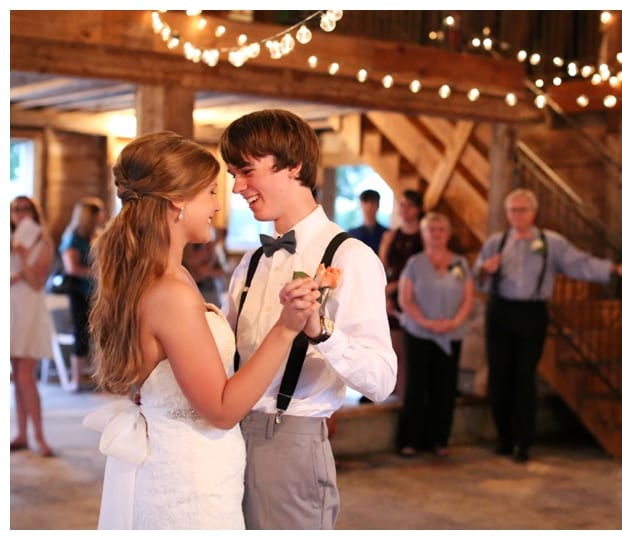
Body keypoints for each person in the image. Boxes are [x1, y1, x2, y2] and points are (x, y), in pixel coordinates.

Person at [82, 131, 321, 529]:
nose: (217, 204)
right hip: (189, 482)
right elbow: (222, 411)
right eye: (210, 192)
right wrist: (285, 329)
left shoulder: (167, 276)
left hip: (192, 464)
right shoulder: (170, 290)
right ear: (177, 200)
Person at [219, 109, 397, 530]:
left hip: (291, 441)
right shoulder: (249, 262)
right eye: (232, 174)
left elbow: (382, 381)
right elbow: (230, 357)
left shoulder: (351, 258)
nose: (237, 187)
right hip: (226, 442)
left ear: (293, 166)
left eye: (246, 171)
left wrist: (322, 332)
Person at [472, 188, 622, 463]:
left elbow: (580, 265)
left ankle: (523, 443)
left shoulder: (551, 243)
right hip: (500, 311)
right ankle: (505, 438)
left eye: (522, 210)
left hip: (533, 312)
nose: (517, 215)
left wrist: (614, 269)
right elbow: (477, 278)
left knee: (525, 377)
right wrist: (484, 270)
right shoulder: (496, 242)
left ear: (534, 213)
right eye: (513, 210)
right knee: (500, 376)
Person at [395, 212, 474, 458]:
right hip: (419, 332)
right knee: (417, 387)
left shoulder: (460, 263)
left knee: (445, 387)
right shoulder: (415, 263)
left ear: (448, 234)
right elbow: (405, 299)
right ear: (424, 233)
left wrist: (454, 323)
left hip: (451, 334)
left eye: (441, 229)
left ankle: (439, 439)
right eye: (432, 229)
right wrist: (427, 323)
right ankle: (410, 440)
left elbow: (468, 298)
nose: (437, 234)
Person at [10, 196, 56, 458]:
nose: (19, 213)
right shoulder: (9, 239)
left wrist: (23, 255)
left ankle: (40, 436)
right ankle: (22, 433)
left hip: (29, 308)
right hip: (11, 309)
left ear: (34, 213)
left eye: (25, 208)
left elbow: (38, 281)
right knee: (16, 375)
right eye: (15, 209)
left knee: (26, 374)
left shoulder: (42, 242)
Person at [376, 188, 424, 401]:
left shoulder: (424, 236)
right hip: (392, 295)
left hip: (416, 295)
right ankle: (392, 391)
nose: (404, 210)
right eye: (401, 205)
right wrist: (385, 293)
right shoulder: (392, 235)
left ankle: (407, 395)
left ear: (418, 209)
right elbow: (382, 264)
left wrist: (398, 286)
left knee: (411, 352)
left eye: (408, 206)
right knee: (394, 348)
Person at [59, 196, 107, 391]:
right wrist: (97, 273)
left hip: (95, 291)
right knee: (81, 331)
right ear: (90, 216)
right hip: (79, 291)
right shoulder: (74, 238)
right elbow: (72, 268)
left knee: (99, 332)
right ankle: (76, 378)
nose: (104, 216)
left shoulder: (96, 235)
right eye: (100, 212)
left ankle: (97, 376)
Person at [347, 189, 387, 254]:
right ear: (360, 205)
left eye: (373, 203)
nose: (369, 207)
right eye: (365, 202)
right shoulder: (351, 234)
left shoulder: (386, 234)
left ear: (378, 205)